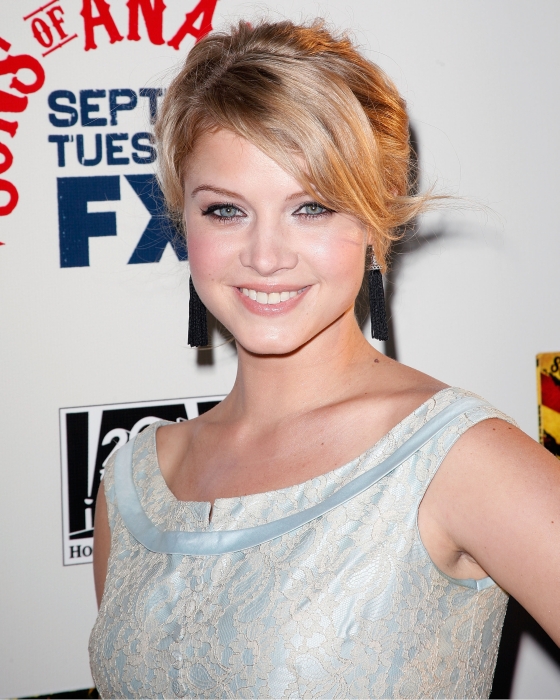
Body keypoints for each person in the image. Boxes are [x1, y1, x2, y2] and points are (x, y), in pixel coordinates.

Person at [89, 19, 560, 699]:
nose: (265, 256)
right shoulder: (132, 482)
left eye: (311, 207)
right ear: (181, 218)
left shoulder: (457, 458)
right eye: (225, 211)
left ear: (374, 218)